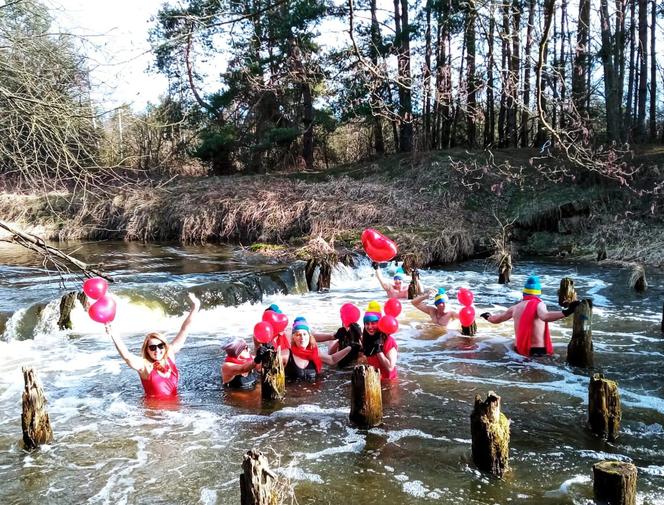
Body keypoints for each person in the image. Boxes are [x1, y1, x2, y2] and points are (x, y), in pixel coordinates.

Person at [106, 292, 200, 397]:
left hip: (175, 410)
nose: (157, 350)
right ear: (147, 350)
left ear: (165, 346)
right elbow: (127, 356)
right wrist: (113, 334)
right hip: (154, 412)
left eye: (160, 346)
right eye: (152, 347)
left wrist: (195, 308)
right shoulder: (144, 366)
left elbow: (184, 329)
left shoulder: (169, 356)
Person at [480, 275, 580, 357]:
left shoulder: (515, 307)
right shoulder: (539, 304)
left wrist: (488, 316)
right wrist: (567, 312)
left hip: (519, 350)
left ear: (524, 293)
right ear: (538, 294)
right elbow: (545, 316)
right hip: (537, 351)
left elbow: (497, 319)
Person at [281, 316, 352, 381]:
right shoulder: (286, 355)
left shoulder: (314, 352)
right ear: (293, 338)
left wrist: (350, 347)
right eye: (298, 335)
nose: (302, 338)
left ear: (309, 336)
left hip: (312, 392)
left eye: (305, 334)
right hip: (292, 394)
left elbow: (332, 359)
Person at [362, 301, 398, 380]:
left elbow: (390, 367)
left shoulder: (389, 341)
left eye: (373, 323)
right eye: (367, 323)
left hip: (389, 383)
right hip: (373, 381)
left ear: (380, 323)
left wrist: (378, 350)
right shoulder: (366, 339)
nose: (370, 327)